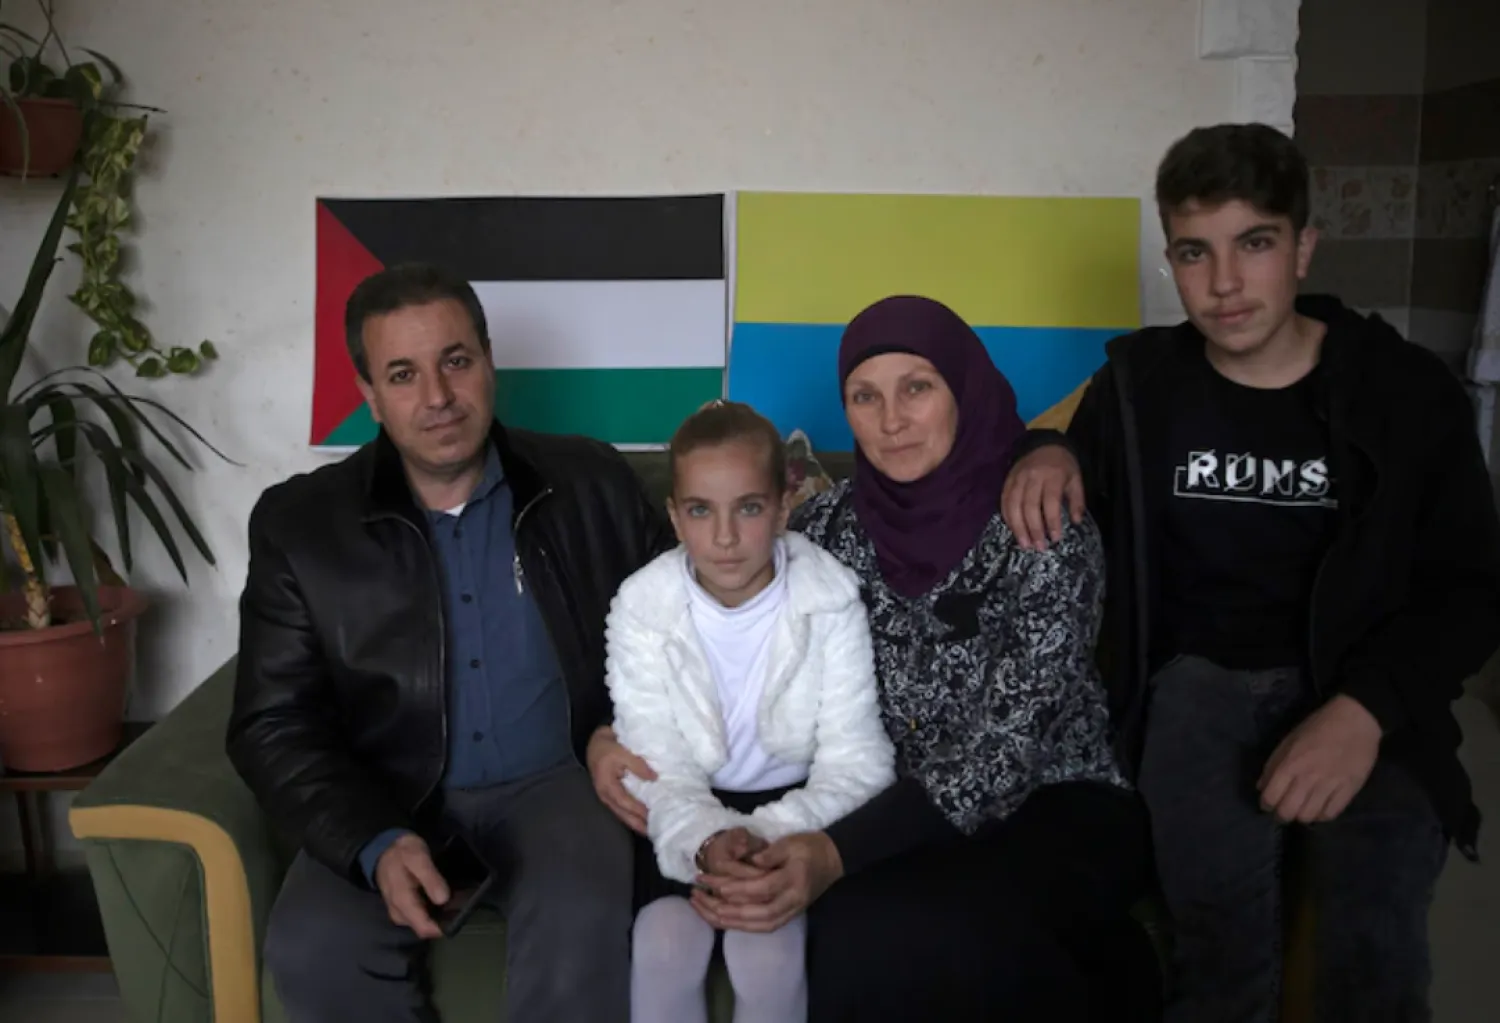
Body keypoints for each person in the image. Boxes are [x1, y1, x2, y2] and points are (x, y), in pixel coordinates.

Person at [1001, 123, 1500, 1022]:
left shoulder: (1407, 391)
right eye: (1196, 252)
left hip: (1364, 691)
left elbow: (1471, 589)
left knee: (1368, 945)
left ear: (1305, 245)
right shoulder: (1139, 383)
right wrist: (1044, 448)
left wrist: (1364, 711)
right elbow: (1054, 432)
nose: (1224, 283)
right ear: (1172, 258)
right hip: (1197, 692)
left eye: (1255, 244)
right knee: (1218, 955)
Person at [591, 295, 1159, 1021]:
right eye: (865, 396)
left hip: (1051, 799)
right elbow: (705, 625)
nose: (890, 420)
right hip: (885, 803)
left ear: (965, 389)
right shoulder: (827, 529)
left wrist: (833, 851)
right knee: (841, 931)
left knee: (935, 928)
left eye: (917, 387)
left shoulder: (1041, 524)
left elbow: (1008, 750)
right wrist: (611, 735)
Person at [227, 262, 671, 1023]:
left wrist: (618, 735)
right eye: (403, 374)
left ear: (489, 360)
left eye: (455, 361)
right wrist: (371, 839)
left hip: (562, 780)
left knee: (583, 915)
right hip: (384, 787)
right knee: (312, 949)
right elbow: (273, 721)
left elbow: (684, 643)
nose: (437, 397)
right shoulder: (300, 526)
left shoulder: (592, 482)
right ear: (367, 393)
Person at [607, 399, 896, 1023]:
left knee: (766, 949)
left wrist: (764, 839)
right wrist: (707, 839)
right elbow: (652, 756)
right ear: (675, 517)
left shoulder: (829, 598)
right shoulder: (644, 607)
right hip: (684, 812)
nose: (726, 537)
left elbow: (860, 760)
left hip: (795, 815)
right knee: (663, 940)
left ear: (784, 508)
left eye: (750, 508)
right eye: (701, 511)